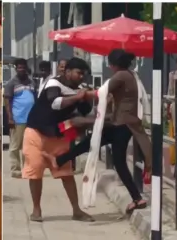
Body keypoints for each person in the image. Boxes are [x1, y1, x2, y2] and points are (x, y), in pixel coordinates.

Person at [42, 50, 152, 215]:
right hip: (121, 123)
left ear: (114, 64)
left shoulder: (121, 75)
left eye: (110, 64)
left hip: (123, 124)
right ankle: (60, 159)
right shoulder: (130, 74)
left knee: (115, 159)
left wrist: (80, 94)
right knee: (93, 142)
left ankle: (137, 198)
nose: (109, 67)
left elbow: (100, 93)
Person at [22, 57, 94, 222]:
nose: (81, 77)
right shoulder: (53, 84)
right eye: (79, 73)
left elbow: (83, 110)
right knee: (35, 172)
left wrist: (88, 98)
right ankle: (36, 210)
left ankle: (76, 211)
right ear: (68, 72)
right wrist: (77, 97)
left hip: (59, 135)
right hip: (36, 133)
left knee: (66, 173)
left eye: (84, 74)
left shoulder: (81, 89)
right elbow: (55, 103)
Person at [4, 58, 35, 178]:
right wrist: (10, 118)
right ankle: (15, 169)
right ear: (16, 69)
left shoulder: (31, 82)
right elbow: (7, 102)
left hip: (31, 119)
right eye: (19, 67)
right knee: (15, 146)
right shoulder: (11, 83)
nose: (21, 69)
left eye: (23, 67)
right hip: (18, 119)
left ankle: (27, 168)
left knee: (28, 146)